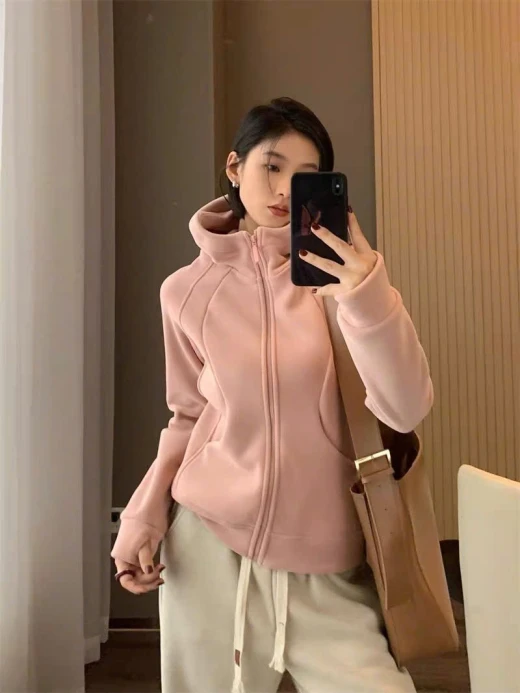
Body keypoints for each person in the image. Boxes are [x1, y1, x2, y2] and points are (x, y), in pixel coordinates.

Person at [112, 97, 433, 693]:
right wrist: (143, 514)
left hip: (326, 561)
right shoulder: (184, 291)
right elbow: (187, 417)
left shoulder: (342, 282)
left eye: (304, 176)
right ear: (235, 168)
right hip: (209, 553)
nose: (285, 188)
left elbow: (406, 407)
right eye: (271, 166)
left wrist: (366, 294)